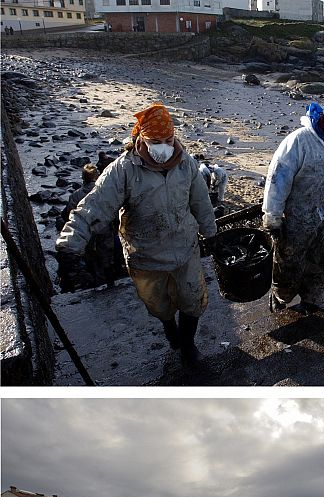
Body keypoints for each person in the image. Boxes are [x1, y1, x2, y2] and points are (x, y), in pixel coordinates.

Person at [56, 102, 217, 372]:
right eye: (156, 141)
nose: (164, 146)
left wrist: (210, 233)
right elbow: (94, 206)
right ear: (141, 137)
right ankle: (169, 328)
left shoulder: (186, 164)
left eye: (168, 139)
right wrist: (70, 243)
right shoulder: (124, 170)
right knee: (159, 306)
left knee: (192, 300)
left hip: (185, 248)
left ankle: (188, 346)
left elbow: (201, 202)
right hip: (146, 255)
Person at [261, 91, 324, 314]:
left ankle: (311, 302)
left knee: (320, 263)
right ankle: (281, 298)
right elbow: (278, 178)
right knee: (288, 263)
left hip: (323, 213)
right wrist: (272, 217)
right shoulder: (300, 140)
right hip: (294, 216)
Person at [59, 163, 116, 290]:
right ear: (97, 177)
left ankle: (94, 283)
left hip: (86, 231)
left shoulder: (76, 195)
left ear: (83, 178)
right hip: (104, 228)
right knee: (106, 256)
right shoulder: (104, 192)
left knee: (90, 256)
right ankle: (109, 282)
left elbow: (69, 213)